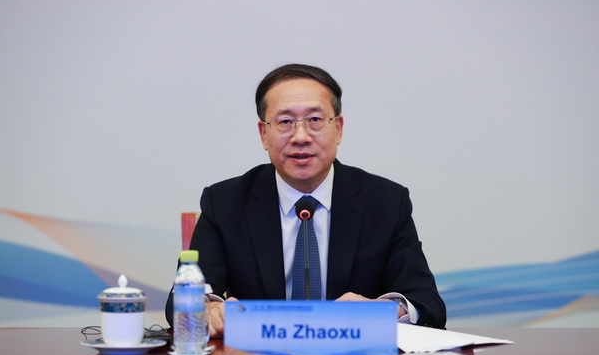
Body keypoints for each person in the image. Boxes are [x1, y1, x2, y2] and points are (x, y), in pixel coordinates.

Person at [166, 64, 446, 337]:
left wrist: (386, 309)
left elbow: (426, 301)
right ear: (264, 134)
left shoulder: (386, 201)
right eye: (285, 122)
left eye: (315, 120)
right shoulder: (225, 203)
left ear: (338, 129)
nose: (300, 137)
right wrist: (208, 311)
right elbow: (182, 299)